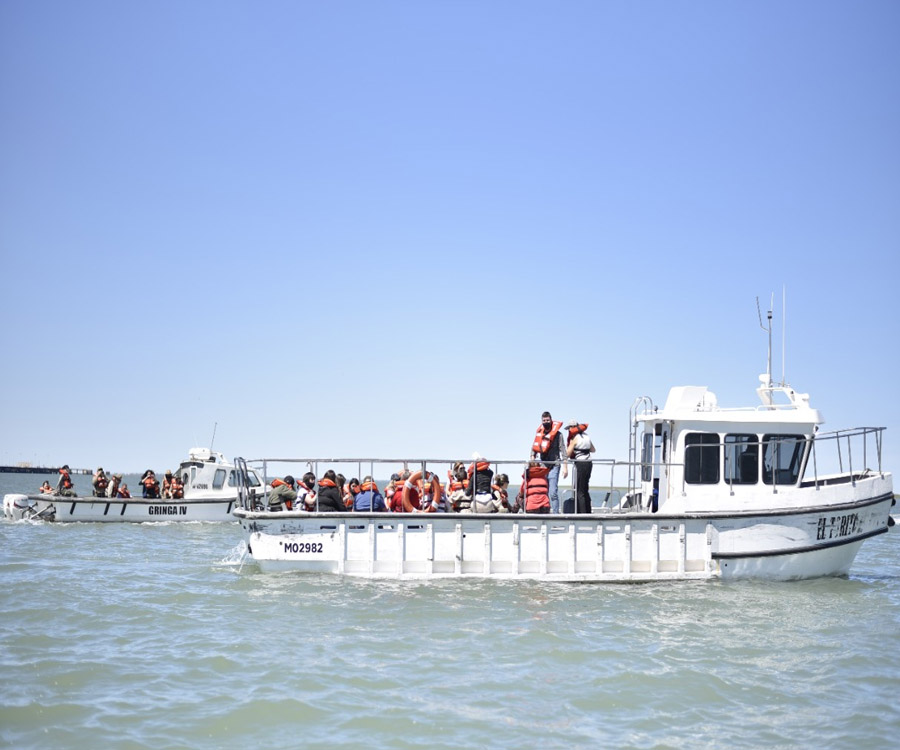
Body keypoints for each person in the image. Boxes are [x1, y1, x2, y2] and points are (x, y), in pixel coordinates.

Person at [532, 411, 568, 512]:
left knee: (553, 492)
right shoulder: (540, 433)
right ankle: (545, 514)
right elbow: (533, 449)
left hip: (555, 465)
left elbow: (563, 450)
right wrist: (532, 459)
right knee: (543, 491)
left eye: (547, 420)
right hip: (543, 465)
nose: (546, 422)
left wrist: (565, 467)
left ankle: (556, 515)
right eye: (544, 420)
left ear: (551, 420)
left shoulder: (558, 435)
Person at [566, 420, 596, 513]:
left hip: (580, 464)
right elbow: (593, 450)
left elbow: (567, 453)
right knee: (585, 489)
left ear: (572, 428)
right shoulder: (587, 436)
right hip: (589, 463)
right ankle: (588, 512)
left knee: (579, 491)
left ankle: (582, 514)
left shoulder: (575, 439)